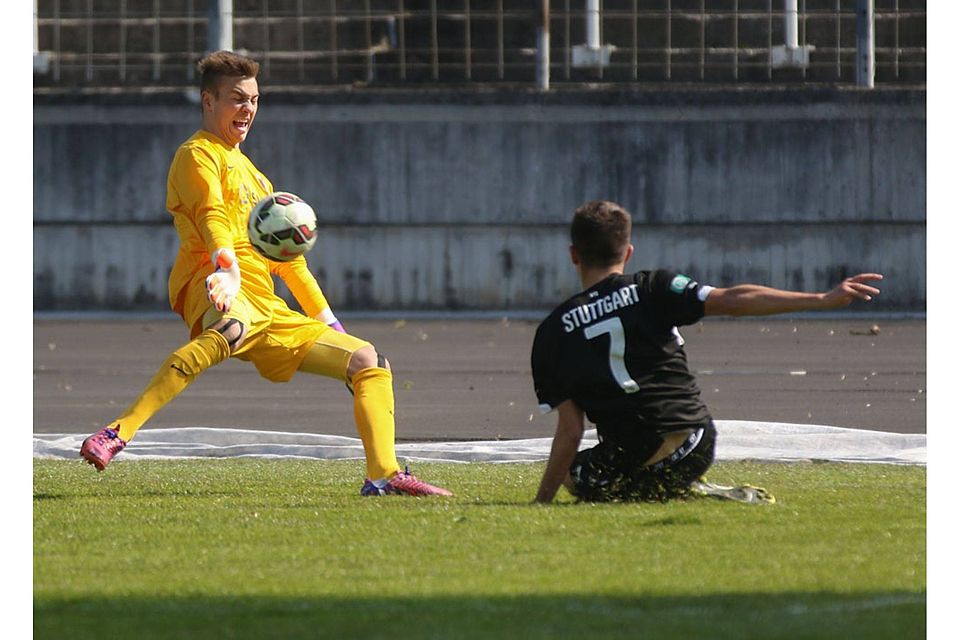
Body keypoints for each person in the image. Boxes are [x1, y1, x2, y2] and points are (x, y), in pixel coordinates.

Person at [79, 50, 451, 497]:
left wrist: (331, 325)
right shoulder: (197, 155)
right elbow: (211, 215)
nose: (248, 108)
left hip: (265, 305)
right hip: (212, 281)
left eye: (254, 100)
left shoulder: (259, 180)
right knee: (230, 328)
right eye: (237, 98)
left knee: (368, 360)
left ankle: (383, 476)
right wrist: (226, 266)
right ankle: (117, 432)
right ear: (208, 101)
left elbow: (290, 263)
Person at [530, 200, 882, 504]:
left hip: (636, 452)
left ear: (574, 254)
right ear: (628, 252)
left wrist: (541, 501)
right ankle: (682, 484)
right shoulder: (654, 287)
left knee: (574, 475)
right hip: (698, 442)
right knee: (645, 454)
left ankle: (664, 488)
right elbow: (733, 300)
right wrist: (821, 299)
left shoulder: (553, 331)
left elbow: (571, 431)